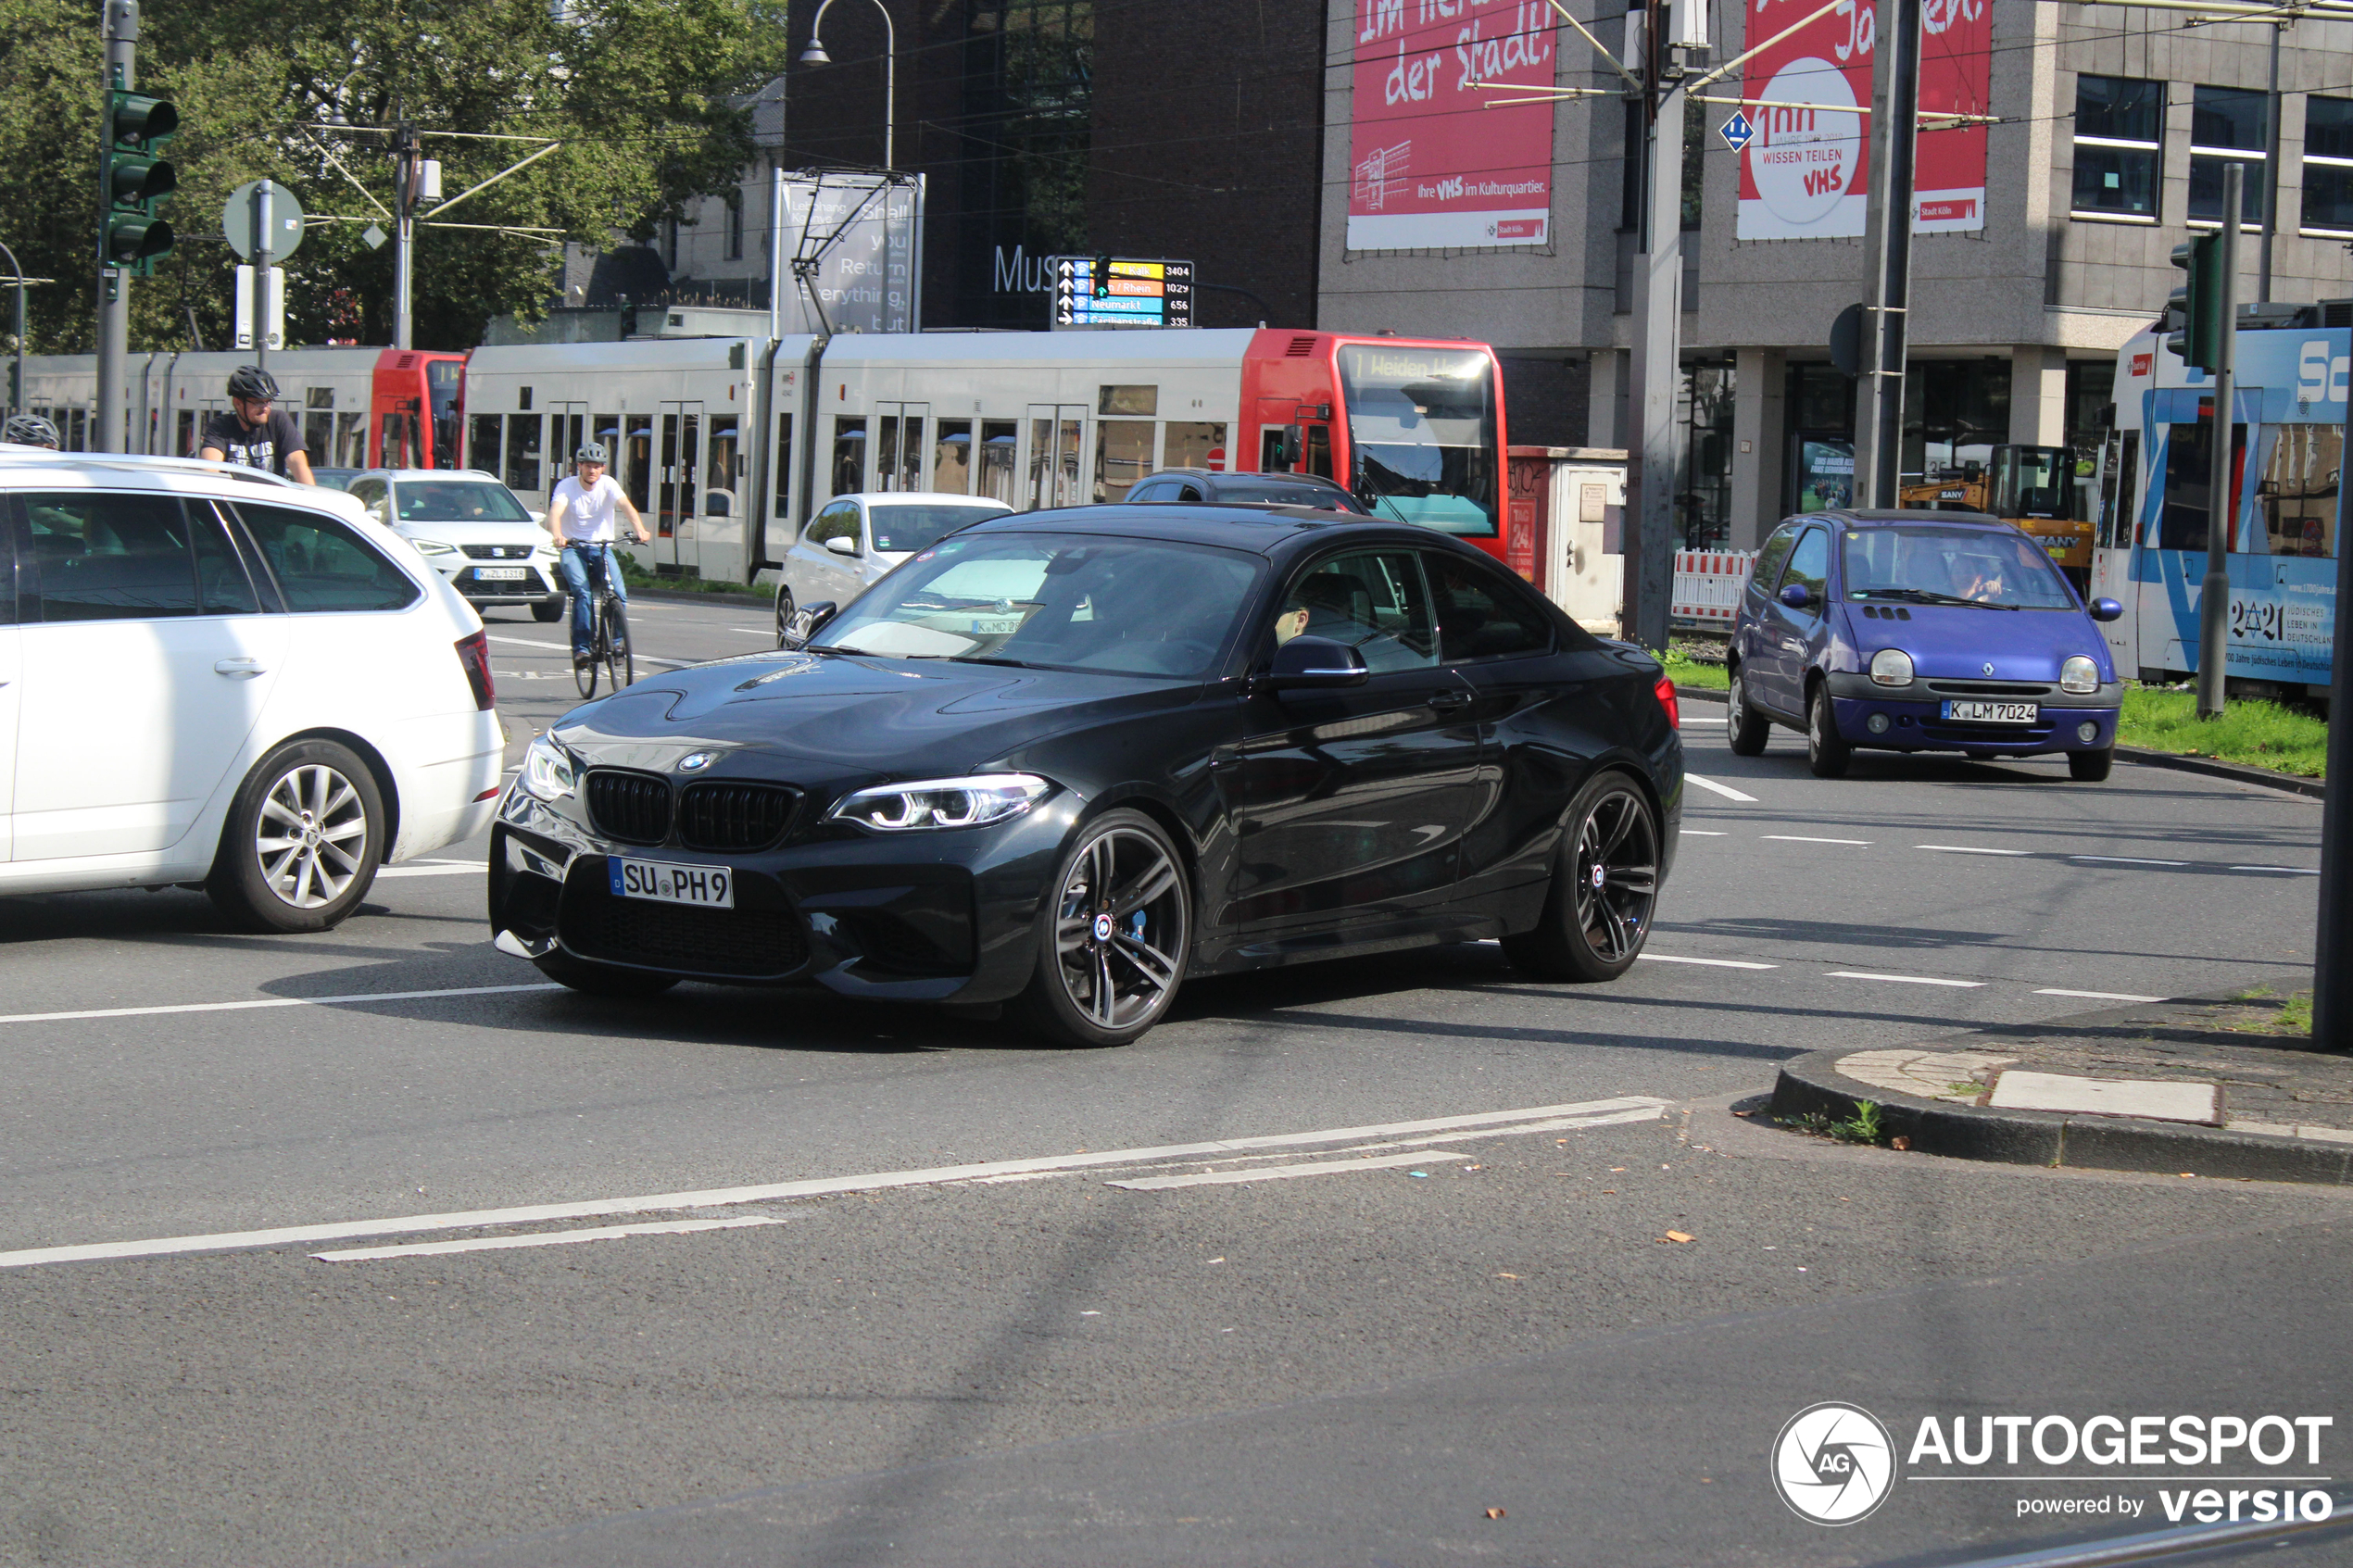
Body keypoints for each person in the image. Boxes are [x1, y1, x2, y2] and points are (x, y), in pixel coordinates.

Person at [546, 442, 651, 669]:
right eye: (587, 466)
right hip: (572, 548)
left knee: (619, 594)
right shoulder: (566, 486)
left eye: (597, 466)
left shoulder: (608, 484)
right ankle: (582, 649)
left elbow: (626, 505)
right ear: (579, 467)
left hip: (601, 547)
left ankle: (616, 642)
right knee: (582, 593)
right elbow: (555, 513)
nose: (592, 470)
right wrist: (557, 534)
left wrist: (640, 529)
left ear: (603, 468)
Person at [197, 366, 315, 483]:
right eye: (258, 402)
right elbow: (210, 469)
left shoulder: (278, 421)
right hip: (235, 499)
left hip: (271, 500)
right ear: (238, 403)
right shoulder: (220, 427)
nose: (265, 408)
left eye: (268, 402)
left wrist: (312, 497)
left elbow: (297, 462)